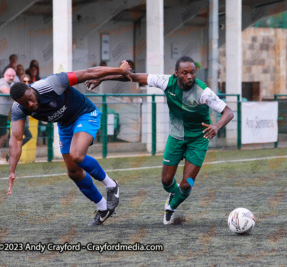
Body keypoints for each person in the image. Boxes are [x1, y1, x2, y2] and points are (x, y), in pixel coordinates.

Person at [86, 56, 234, 225]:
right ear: (176, 73)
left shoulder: (204, 92)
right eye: (185, 73)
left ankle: (170, 207)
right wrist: (100, 78)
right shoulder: (165, 82)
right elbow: (131, 76)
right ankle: (173, 192)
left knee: (186, 184)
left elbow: (228, 112)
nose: (189, 76)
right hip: (176, 138)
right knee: (166, 181)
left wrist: (216, 126)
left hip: (198, 140)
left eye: (192, 72)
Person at [7, 62, 132, 226]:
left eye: (30, 99)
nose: (30, 105)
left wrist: (119, 70)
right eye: (25, 104)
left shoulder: (52, 83)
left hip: (85, 113)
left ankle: (111, 185)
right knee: (73, 171)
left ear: (29, 87)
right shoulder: (18, 108)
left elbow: (88, 71)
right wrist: (12, 170)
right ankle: (103, 208)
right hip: (65, 125)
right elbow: (16, 138)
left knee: (77, 155)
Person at [0, 68, 16, 164]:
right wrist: (18, 92)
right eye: (9, 75)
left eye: (13, 76)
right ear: (4, 75)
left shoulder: (12, 84)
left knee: (4, 135)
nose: (11, 77)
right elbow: (7, 92)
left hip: (5, 113)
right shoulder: (0, 82)